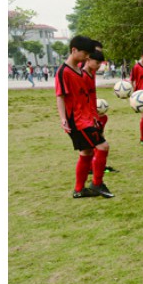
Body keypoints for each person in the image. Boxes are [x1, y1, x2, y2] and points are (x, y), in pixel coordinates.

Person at [54, 35, 114, 199]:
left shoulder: (81, 71)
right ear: (74, 50)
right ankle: (96, 184)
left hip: (86, 118)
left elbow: (86, 98)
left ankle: (79, 190)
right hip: (77, 121)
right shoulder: (63, 72)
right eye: (85, 53)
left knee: (86, 152)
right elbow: (60, 96)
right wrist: (63, 119)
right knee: (103, 147)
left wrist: (93, 115)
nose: (87, 57)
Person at [83, 47, 119, 174]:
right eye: (97, 63)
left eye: (101, 63)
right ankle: (95, 174)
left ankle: (95, 169)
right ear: (88, 59)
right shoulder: (82, 76)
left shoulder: (90, 74)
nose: (99, 66)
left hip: (93, 115)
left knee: (93, 147)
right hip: (85, 118)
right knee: (98, 146)